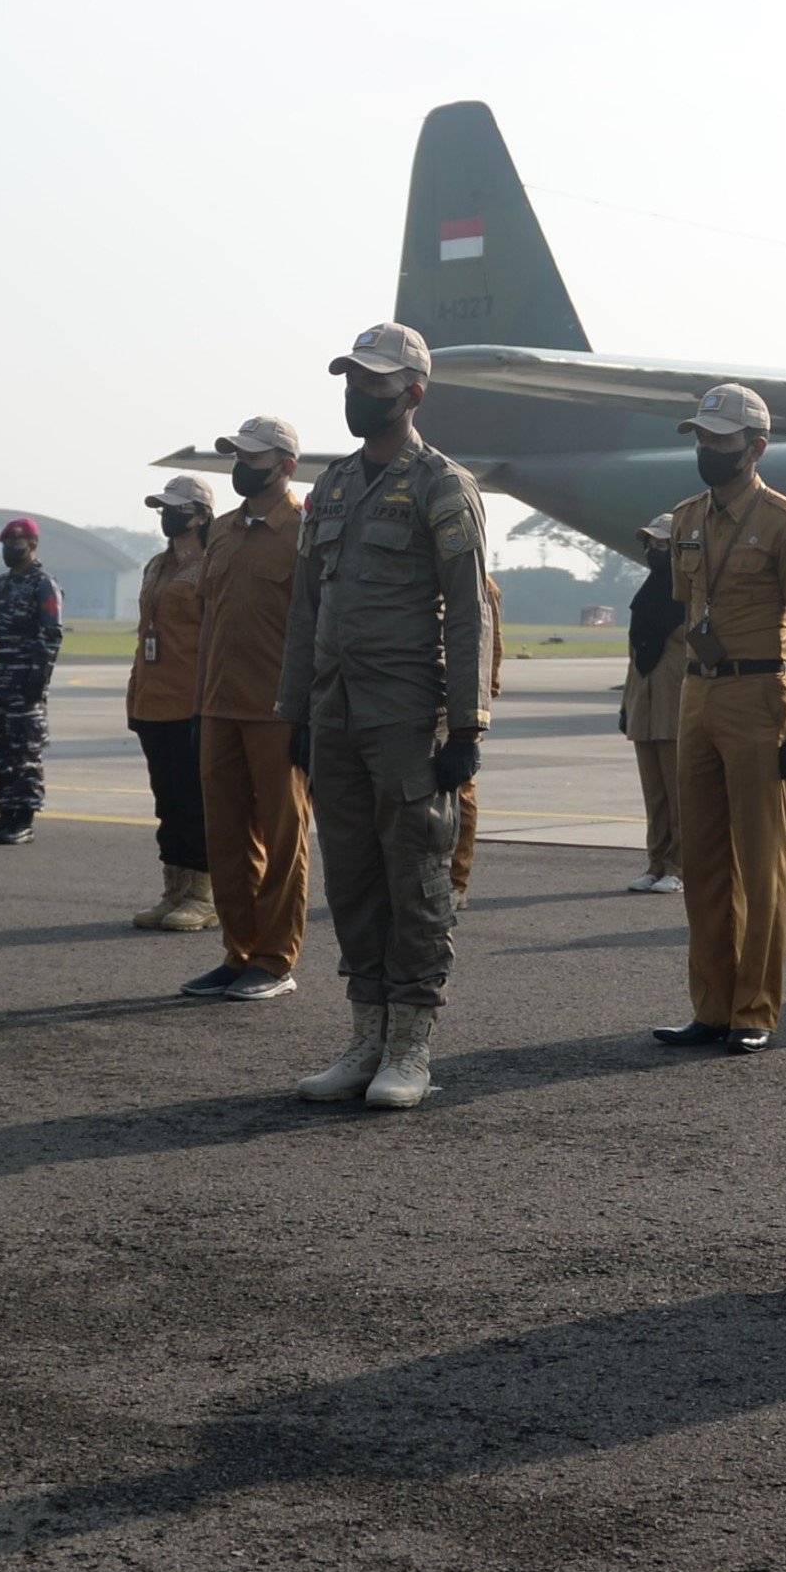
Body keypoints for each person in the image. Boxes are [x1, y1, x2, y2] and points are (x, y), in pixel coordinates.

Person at [280, 322, 491, 1108]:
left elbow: (468, 611)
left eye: (371, 383)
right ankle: (364, 1036)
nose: (355, 394)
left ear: (412, 393)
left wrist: (464, 725)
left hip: (405, 712)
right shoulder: (331, 486)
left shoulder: (441, 483)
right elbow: (306, 607)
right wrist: (293, 707)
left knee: (416, 877)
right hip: (334, 709)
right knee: (352, 876)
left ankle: (411, 1044)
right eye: (349, 380)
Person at [651, 383, 786, 1055]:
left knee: (760, 861)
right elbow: (687, 609)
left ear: (755, 447)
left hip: (758, 695)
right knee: (700, 859)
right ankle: (711, 1005)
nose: (705, 450)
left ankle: (754, 1009)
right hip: (699, 692)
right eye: (699, 437)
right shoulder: (687, 517)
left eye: (719, 441)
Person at [188, 416, 311, 1004]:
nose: (242, 465)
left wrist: (309, 710)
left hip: (279, 708)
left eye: (254, 457)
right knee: (226, 837)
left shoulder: (305, 531)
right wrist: (199, 704)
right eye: (237, 454)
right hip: (220, 706)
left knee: (283, 839)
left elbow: (318, 624)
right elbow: (209, 619)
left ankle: (275, 957)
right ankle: (238, 953)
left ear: (285, 465)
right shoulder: (222, 531)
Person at [127, 474, 218, 931]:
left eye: (177, 508)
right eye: (163, 507)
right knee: (167, 802)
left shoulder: (213, 566)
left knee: (194, 801)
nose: (168, 515)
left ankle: (202, 894)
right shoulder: (156, 565)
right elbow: (144, 633)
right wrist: (133, 695)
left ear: (201, 515)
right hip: (153, 701)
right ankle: (173, 889)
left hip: (192, 701)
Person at [0, 517, 65, 845]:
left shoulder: (43, 584)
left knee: (24, 753)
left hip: (25, 685)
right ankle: (5, 815)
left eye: (17, 547)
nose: (11, 552)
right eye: (7, 547)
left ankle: (23, 818)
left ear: (33, 546)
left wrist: (37, 681)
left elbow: (51, 634)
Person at [619, 512, 684, 892]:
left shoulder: (690, 597)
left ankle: (680, 868)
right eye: (650, 544)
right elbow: (633, 658)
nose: (654, 550)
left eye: (662, 543)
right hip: (644, 707)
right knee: (654, 794)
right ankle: (655, 863)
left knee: (681, 796)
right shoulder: (643, 598)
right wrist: (627, 707)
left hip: (677, 707)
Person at [448, 566, 507, 902]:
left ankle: (457, 880)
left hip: (464, 699)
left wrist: (484, 698)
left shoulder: (483, 584)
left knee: (461, 792)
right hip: (424, 695)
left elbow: (491, 644)